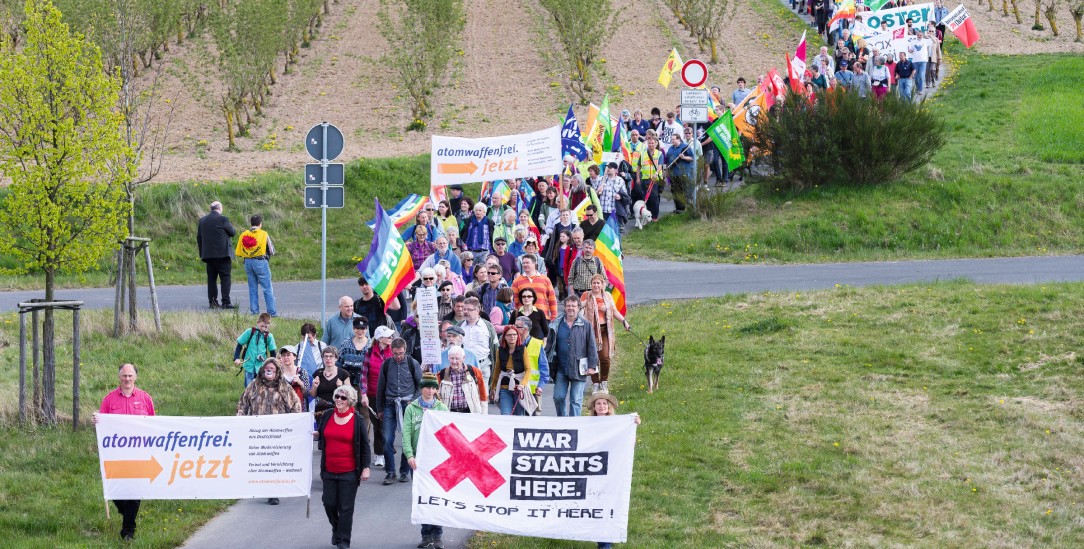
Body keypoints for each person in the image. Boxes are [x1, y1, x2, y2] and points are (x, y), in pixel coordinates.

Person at [95, 363, 155, 541]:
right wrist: (96, 421)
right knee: (116, 492)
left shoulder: (145, 399)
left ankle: (128, 531)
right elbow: (101, 424)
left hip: (139, 453)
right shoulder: (109, 399)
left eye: (130, 376)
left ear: (135, 377)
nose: (127, 379)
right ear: (119, 377)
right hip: (116, 454)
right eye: (124, 376)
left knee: (135, 492)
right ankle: (125, 511)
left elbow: (153, 425)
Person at [236, 357, 302, 505]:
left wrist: (293, 425)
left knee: (274, 462)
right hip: (257, 432)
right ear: (262, 370)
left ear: (277, 371)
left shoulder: (284, 387)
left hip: (277, 433)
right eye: (267, 368)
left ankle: (273, 492)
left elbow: (296, 406)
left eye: (272, 369)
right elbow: (242, 404)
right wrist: (239, 421)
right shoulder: (254, 385)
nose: (269, 371)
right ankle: (258, 486)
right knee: (259, 461)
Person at [316, 385, 372, 549]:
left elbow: (365, 446)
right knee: (329, 503)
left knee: (346, 508)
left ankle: (343, 540)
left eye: (343, 398)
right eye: (337, 397)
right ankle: (337, 528)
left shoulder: (358, 420)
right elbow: (321, 433)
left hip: (349, 472)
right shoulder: (327, 415)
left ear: (350, 401)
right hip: (328, 469)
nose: (339, 400)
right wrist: (315, 435)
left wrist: (366, 467)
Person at [403, 374, 448, 549]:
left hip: (437, 461)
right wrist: (409, 455)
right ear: (421, 388)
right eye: (427, 387)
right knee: (422, 498)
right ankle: (426, 534)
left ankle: (437, 535)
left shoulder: (442, 408)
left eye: (433, 388)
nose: (430, 391)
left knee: (436, 497)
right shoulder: (411, 409)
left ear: (437, 390)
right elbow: (406, 433)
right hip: (419, 461)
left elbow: (448, 434)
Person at [376, 338, 422, 485]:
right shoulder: (387, 364)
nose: (398, 356)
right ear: (392, 351)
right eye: (395, 353)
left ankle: (404, 471)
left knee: (406, 439)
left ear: (405, 350)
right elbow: (380, 389)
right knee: (388, 439)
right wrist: (380, 408)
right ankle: (390, 472)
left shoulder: (412, 363)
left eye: (401, 353)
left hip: (407, 405)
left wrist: (412, 401)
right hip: (390, 403)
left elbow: (420, 386)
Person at [546, 297, 598, 417]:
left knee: (575, 400)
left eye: (573, 306)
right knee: (558, 397)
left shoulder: (585, 325)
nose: (570, 308)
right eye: (568, 306)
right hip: (561, 368)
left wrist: (592, 366)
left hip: (579, 369)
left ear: (578, 308)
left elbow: (592, 346)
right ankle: (563, 421)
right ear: (564, 307)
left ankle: (574, 426)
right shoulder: (556, 324)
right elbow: (549, 346)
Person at [580, 274, 630, 394]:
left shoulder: (607, 296)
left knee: (605, 357)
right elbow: (578, 309)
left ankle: (604, 382)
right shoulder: (586, 295)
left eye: (598, 283)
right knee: (593, 358)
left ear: (603, 285)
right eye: (594, 283)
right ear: (591, 284)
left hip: (605, 330)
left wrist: (624, 321)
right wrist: (587, 303)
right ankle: (595, 383)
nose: (596, 285)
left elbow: (614, 311)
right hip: (591, 331)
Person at [490, 319, 548, 415]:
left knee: (522, 417)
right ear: (505, 337)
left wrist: (534, 385)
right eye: (509, 335)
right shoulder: (500, 351)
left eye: (514, 333)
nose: (512, 337)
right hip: (505, 388)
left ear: (524, 330)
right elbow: (497, 370)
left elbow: (532, 369)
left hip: (522, 389)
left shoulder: (525, 348)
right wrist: (493, 387)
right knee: (506, 415)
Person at [363, 325, 395, 468]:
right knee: (378, 426)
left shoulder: (393, 353)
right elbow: (363, 376)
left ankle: (387, 447)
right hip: (373, 395)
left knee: (387, 425)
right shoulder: (369, 353)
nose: (391, 338)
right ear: (379, 339)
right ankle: (380, 454)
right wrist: (363, 393)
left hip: (389, 396)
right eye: (388, 336)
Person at [196, 200, 237, 309]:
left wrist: (202, 253)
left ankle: (213, 302)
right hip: (222, 254)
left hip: (208, 255)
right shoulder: (223, 219)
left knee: (211, 279)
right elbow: (232, 233)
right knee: (225, 278)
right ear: (220, 208)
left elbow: (199, 238)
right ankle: (226, 302)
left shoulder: (202, 221)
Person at [234, 213, 277, 316]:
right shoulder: (263, 234)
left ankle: (254, 311)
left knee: (252, 288)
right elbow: (271, 251)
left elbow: (239, 251)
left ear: (251, 223)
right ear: (260, 224)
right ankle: (272, 312)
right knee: (267, 288)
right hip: (260, 262)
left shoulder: (244, 234)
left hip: (248, 262)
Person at [459, 296, 498, 383]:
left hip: (483, 366)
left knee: (483, 396)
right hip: (464, 368)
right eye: (464, 309)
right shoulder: (459, 326)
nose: (465, 312)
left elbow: (496, 348)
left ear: (477, 310)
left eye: (469, 309)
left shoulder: (488, 326)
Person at [437, 346, 488, 413]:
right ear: (448, 358)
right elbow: (435, 394)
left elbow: (483, 394)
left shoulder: (474, 372)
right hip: (449, 414)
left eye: (457, 358)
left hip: (470, 413)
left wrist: (484, 414)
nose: (454, 361)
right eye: (452, 358)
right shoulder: (442, 374)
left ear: (463, 358)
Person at [233, 313, 277, 387]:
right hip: (249, 366)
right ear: (257, 322)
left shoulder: (269, 336)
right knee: (249, 388)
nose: (263, 328)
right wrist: (236, 358)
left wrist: (273, 364)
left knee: (262, 388)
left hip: (262, 367)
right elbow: (239, 345)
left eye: (266, 326)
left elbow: (273, 352)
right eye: (262, 326)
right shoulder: (249, 332)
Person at [511, 254, 559, 320]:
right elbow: (514, 302)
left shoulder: (545, 279)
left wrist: (553, 316)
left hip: (543, 318)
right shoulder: (516, 281)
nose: (525, 265)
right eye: (523, 263)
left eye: (527, 263)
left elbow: (552, 299)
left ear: (534, 263)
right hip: (523, 318)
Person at [311, 346, 353, 420]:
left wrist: (341, 387)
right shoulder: (318, 373)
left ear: (336, 358)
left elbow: (351, 395)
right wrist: (315, 386)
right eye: (326, 356)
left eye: (331, 356)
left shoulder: (343, 373)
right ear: (323, 358)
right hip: (320, 411)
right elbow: (313, 395)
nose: (328, 359)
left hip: (338, 409)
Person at [635, 135, 665, 220]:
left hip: (655, 179)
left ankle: (655, 217)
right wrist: (637, 178)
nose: (651, 145)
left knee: (655, 198)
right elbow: (638, 167)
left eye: (652, 143)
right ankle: (648, 216)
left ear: (656, 144)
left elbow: (660, 165)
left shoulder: (659, 154)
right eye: (649, 143)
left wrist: (656, 173)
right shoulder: (643, 154)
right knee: (646, 198)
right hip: (645, 179)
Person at [664, 134, 694, 213]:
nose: (672, 141)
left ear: (678, 139)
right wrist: (666, 171)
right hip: (673, 173)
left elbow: (692, 158)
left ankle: (683, 208)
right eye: (672, 139)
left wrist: (684, 157)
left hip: (682, 172)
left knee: (682, 191)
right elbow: (667, 160)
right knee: (674, 191)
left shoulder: (685, 147)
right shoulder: (671, 148)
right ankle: (677, 208)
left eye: (673, 139)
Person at [337, 317, 370, 389]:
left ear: (366, 329)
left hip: (364, 383)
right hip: (346, 381)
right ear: (353, 329)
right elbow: (339, 363)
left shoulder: (371, 346)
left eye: (362, 328)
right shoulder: (345, 344)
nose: (360, 331)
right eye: (357, 328)